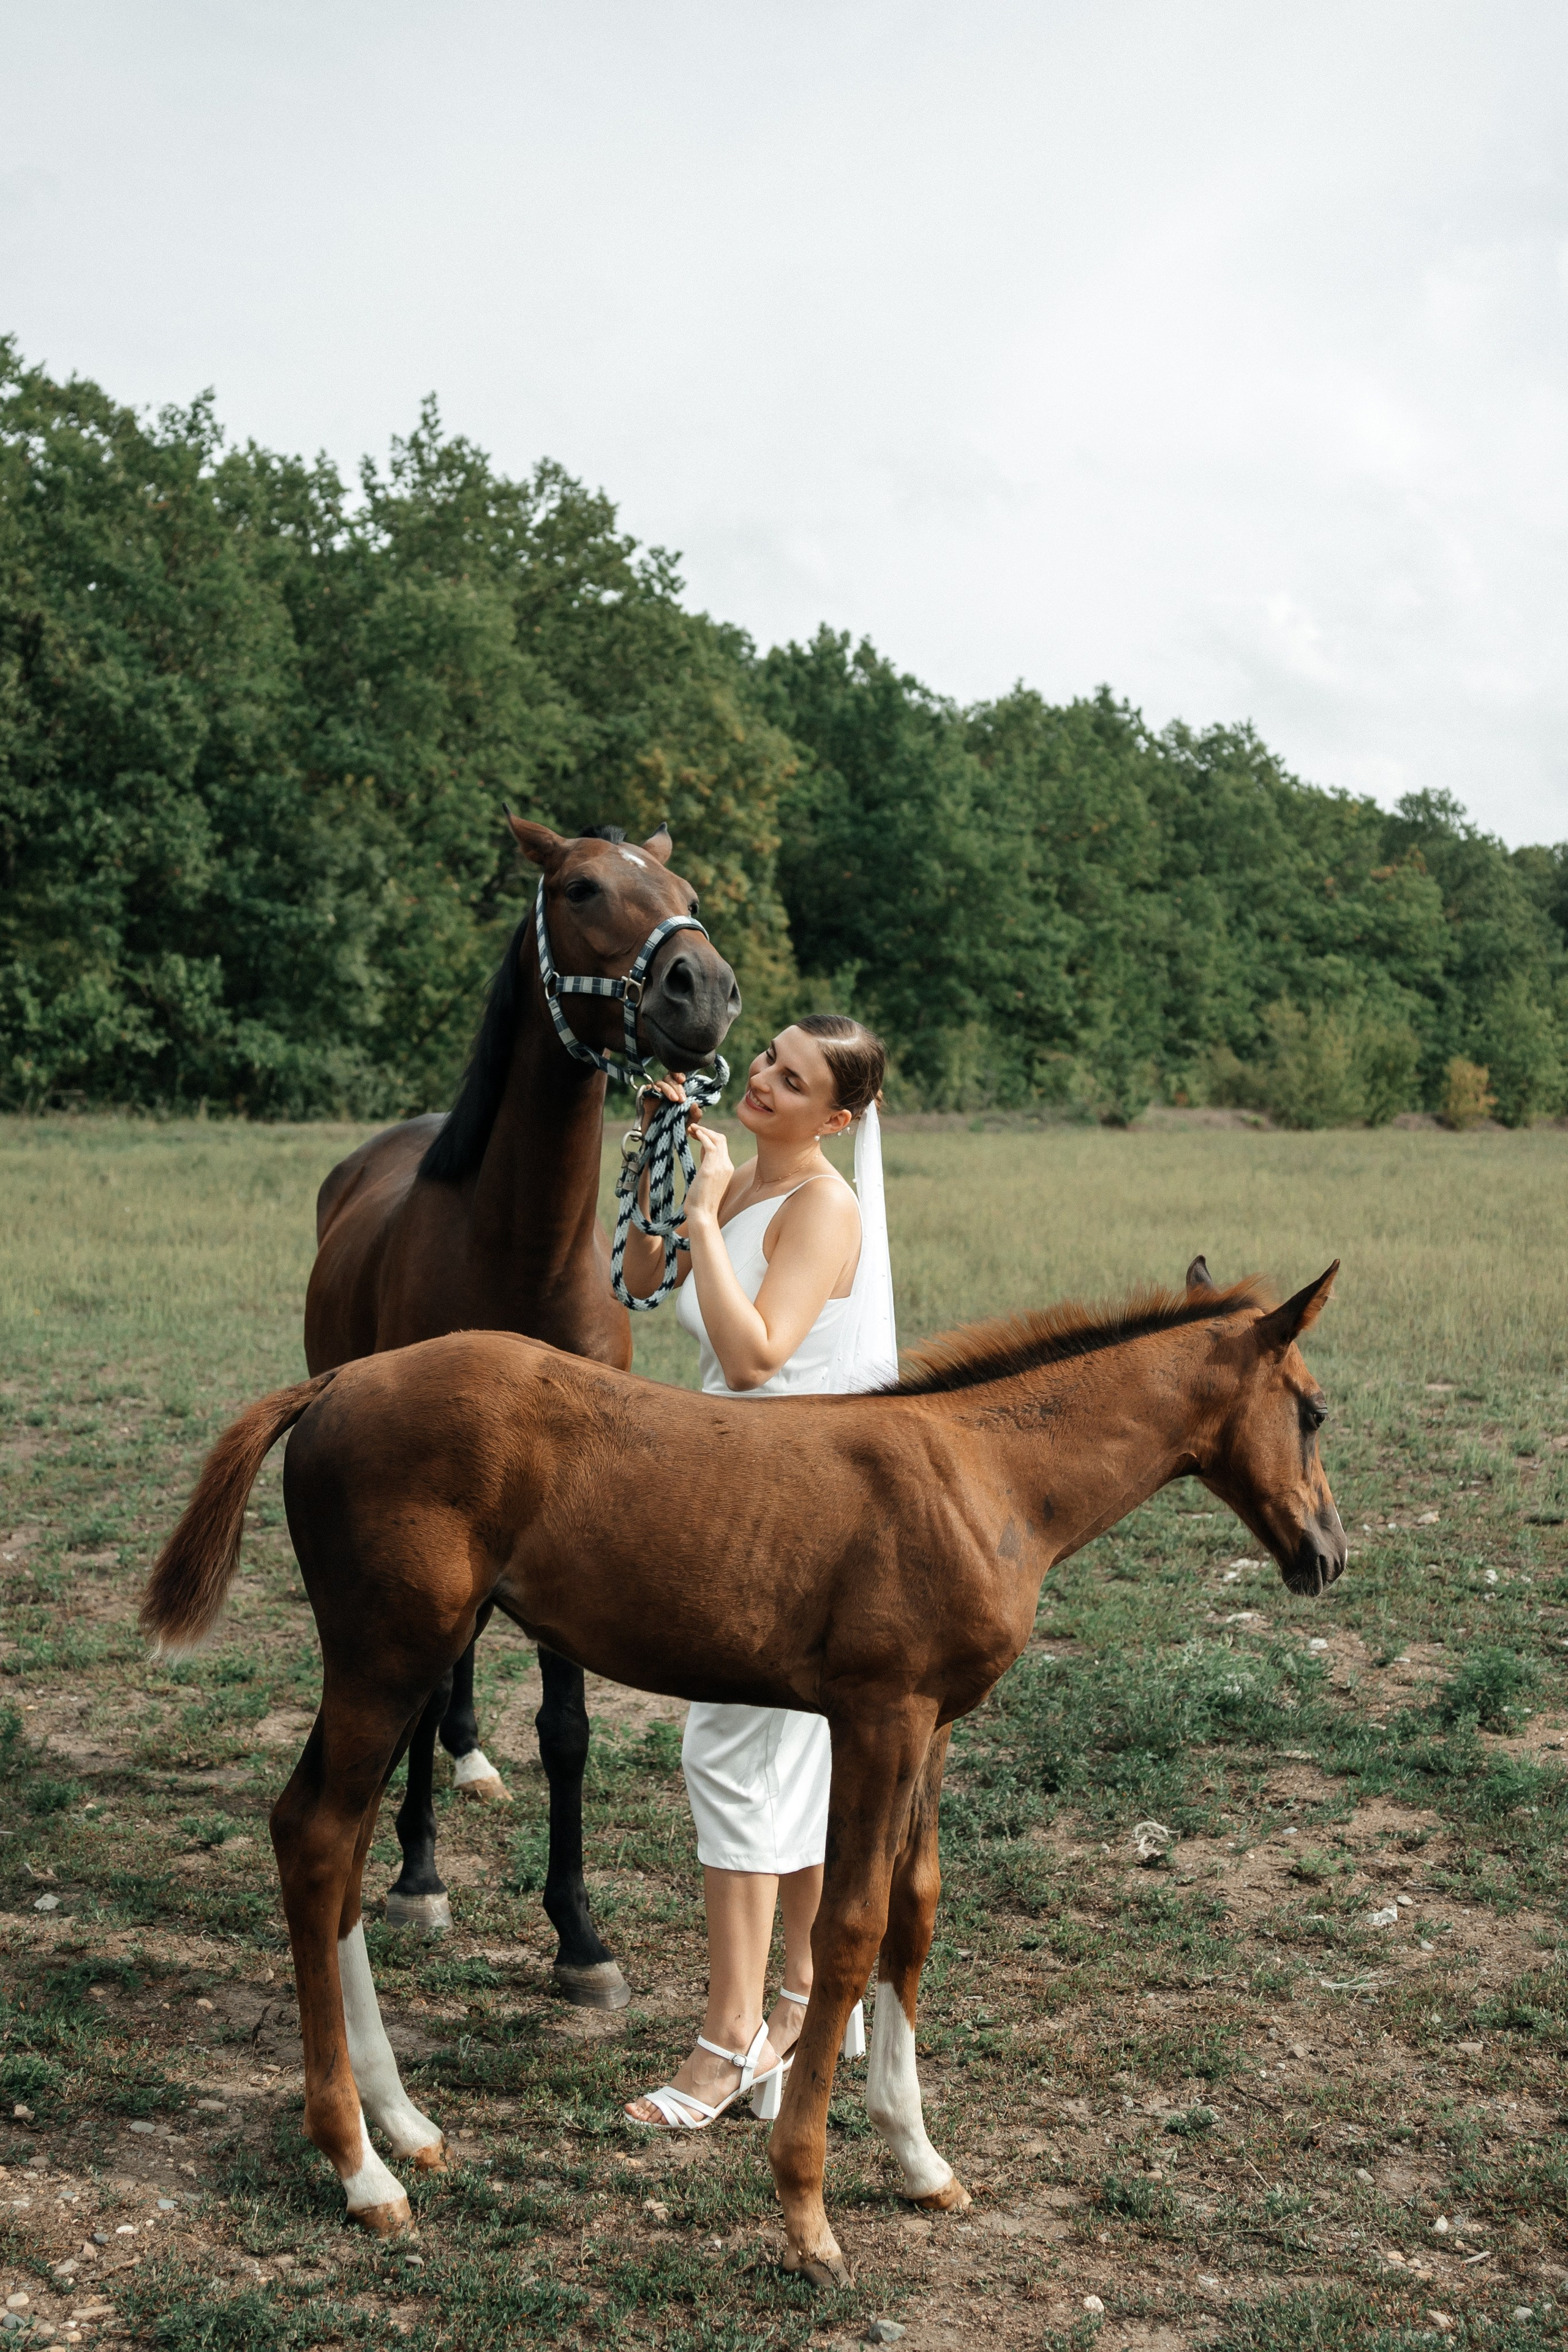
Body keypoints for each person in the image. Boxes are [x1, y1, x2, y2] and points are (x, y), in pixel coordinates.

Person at [618, 1013, 895, 2129]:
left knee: (732, 1752)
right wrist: (663, 1178)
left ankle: (731, 2039)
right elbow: (640, 1280)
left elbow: (754, 1357)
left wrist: (701, 1213)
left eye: (795, 1078)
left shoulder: (825, 1206)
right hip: (730, 1489)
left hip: (799, 1504)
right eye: (770, 1060)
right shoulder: (737, 1186)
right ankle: (796, 2007)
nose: (766, 1080)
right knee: (782, 1761)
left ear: (837, 1117)